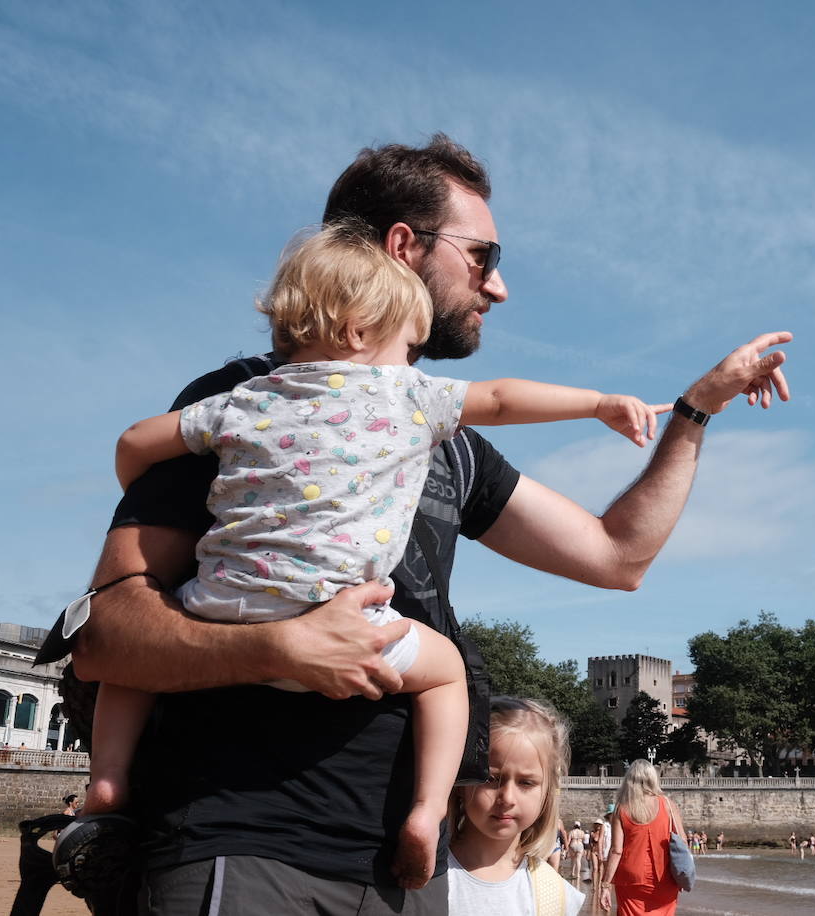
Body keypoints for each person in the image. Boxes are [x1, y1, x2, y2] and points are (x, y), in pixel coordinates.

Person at [53, 133, 791, 913]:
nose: (498, 287)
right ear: (403, 246)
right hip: (241, 845)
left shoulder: (447, 440)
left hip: (407, 872)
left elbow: (619, 557)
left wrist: (695, 409)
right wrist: (275, 646)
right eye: (483, 256)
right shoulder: (248, 402)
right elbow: (109, 635)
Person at [83, 222, 666, 890]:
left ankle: (106, 778)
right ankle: (426, 814)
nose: (413, 361)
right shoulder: (404, 397)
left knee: (137, 666)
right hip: (350, 638)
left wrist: (140, 482)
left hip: (224, 609)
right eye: (407, 344)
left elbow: (134, 441)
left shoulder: (241, 402)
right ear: (361, 330)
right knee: (446, 671)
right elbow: (502, 397)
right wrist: (598, 405)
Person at [447, 696, 585, 915]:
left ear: (546, 793)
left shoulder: (556, 896)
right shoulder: (425, 875)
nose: (508, 798)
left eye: (526, 783)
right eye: (491, 779)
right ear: (461, 783)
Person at [600, 760, 684, 916]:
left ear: (629, 780)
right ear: (653, 778)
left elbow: (616, 851)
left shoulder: (622, 808)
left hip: (630, 879)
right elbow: (682, 842)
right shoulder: (668, 805)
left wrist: (605, 885)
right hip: (665, 878)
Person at [567, 821, 588, 886]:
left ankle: (572, 872)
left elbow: (568, 840)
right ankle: (578, 874)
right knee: (578, 860)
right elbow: (584, 840)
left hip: (573, 844)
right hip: (580, 844)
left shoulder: (571, 832)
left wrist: (566, 848)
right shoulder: (582, 832)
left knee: (572, 860)